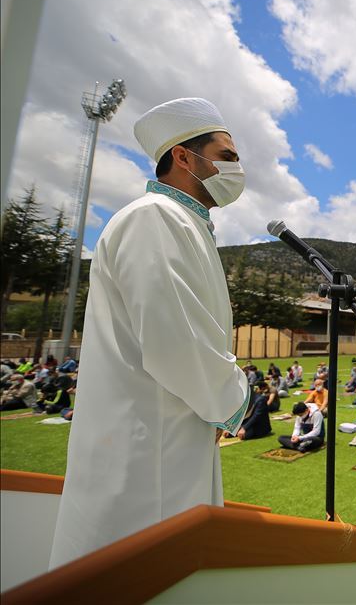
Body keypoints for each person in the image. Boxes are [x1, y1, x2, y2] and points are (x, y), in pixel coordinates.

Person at [51, 98, 250, 569]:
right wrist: (239, 395)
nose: (237, 169)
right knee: (136, 576)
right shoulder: (154, 218)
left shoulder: (185, 223)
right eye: (227, 156)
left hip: (170, 440)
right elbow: (177, 341)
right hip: (147, 457)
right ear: (183, 157)